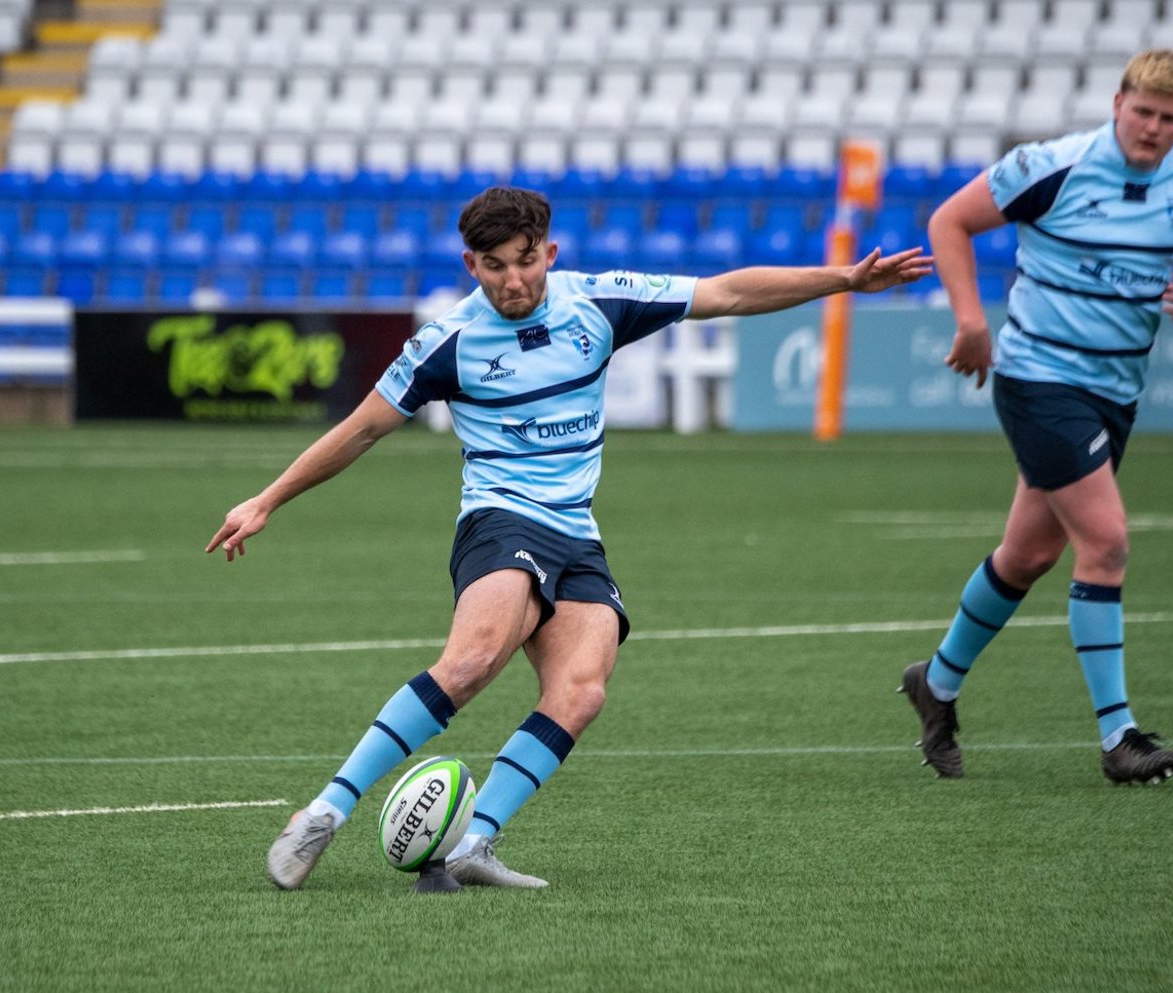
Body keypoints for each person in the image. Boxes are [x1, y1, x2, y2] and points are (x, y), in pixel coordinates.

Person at [209, 186, 932, 891]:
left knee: (580, 691)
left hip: (575, 534)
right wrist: (268, 498)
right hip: (498, 520)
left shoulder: (599, 300)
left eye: (525, 260)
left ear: (548, 252)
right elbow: (362, 426)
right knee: (470, 663)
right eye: (494, 266)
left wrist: (843, 278)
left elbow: (728, 293)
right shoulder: (446, 340)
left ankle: (472, 843)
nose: (512, 279)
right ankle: (323, 814)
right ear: (471, 266)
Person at [902, 49, 1173, 783]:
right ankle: (1119, 738)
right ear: (1117, 101)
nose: (1151, 128)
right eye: (1141, 111)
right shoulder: (1050, 165)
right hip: (1036, 379)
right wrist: (969, 321)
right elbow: (949, 221)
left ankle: (936, 683)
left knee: (1027, 555)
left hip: (1116, 390)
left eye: (1168, 118)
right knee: (1106, 542)